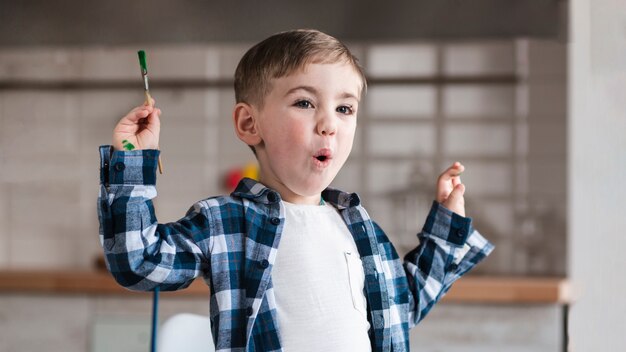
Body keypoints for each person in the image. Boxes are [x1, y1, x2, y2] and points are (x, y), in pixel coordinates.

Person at [98, 29, 494, 351]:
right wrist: (132, 163)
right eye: (305, 103)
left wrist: (448, 222)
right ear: (250, 125)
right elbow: (138, 262)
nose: (329, 124)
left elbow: (400, 308)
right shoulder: (226, 222)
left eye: (344, 108)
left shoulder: (358, 226)